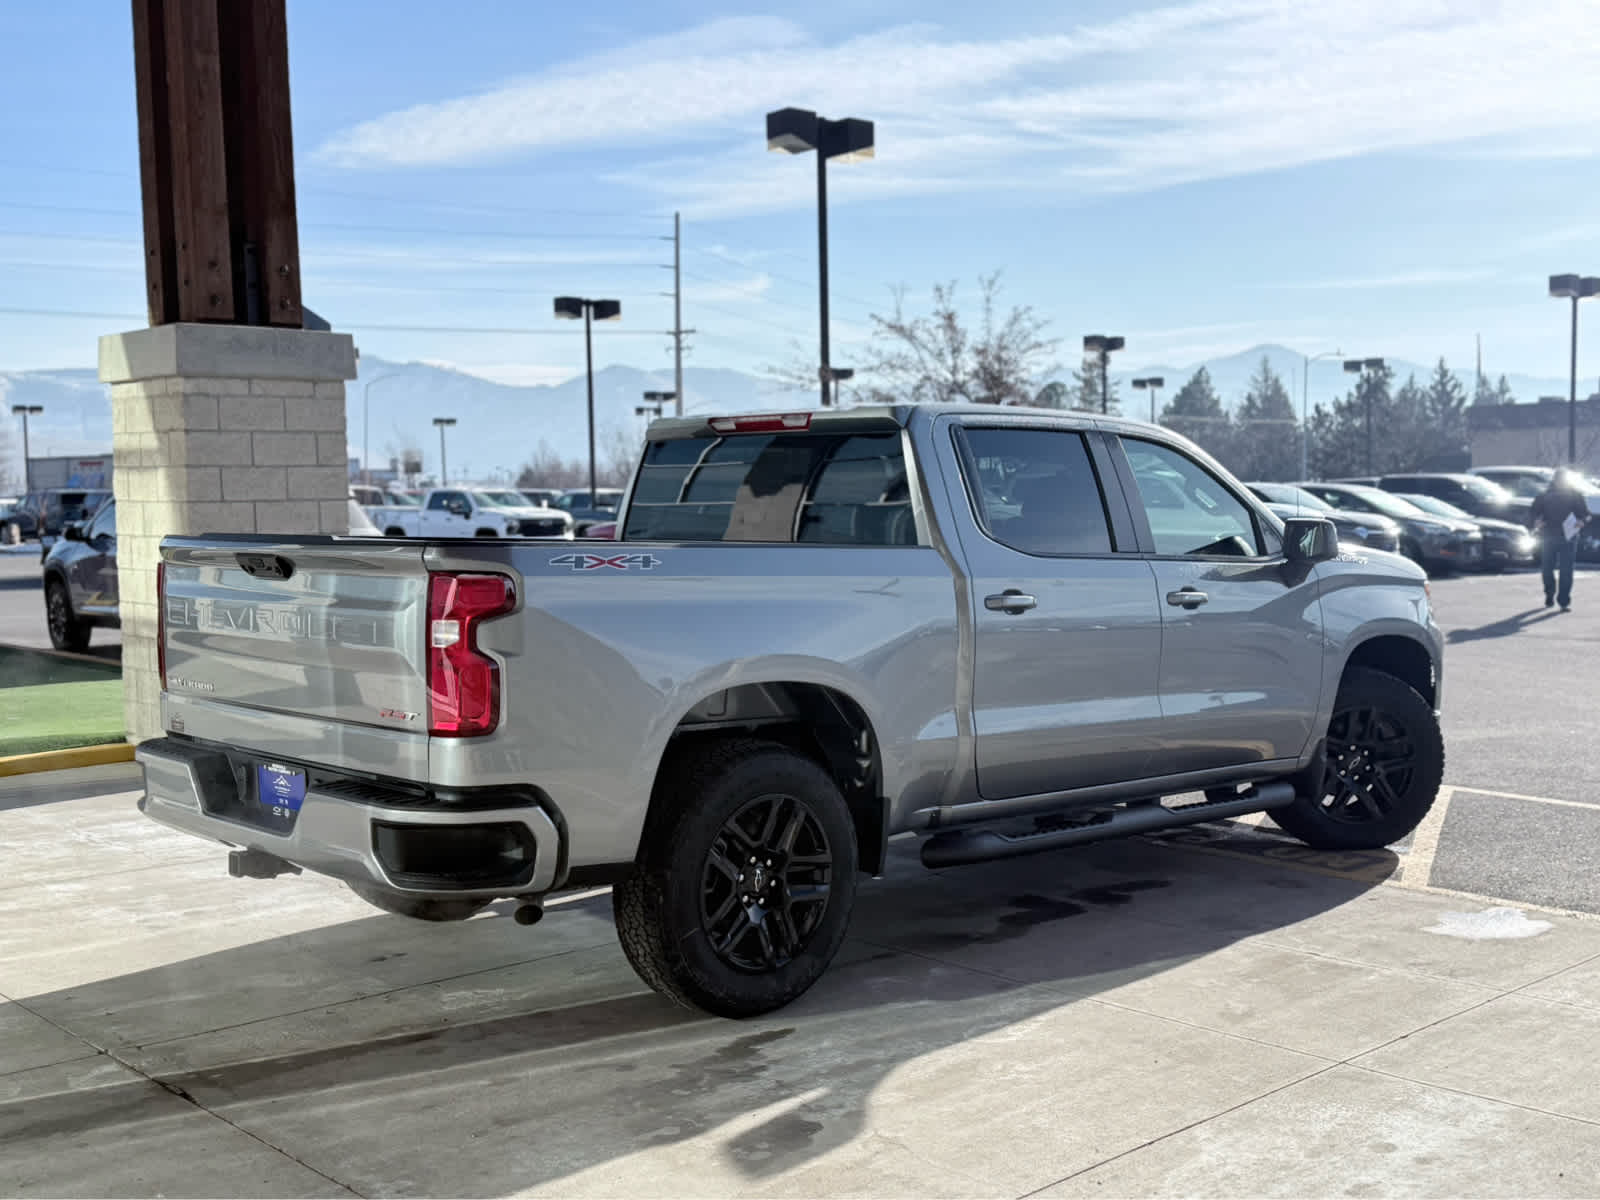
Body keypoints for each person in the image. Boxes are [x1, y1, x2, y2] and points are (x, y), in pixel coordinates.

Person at [1528, 468, 1592, 612]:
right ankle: (1549, 594)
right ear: (1554, 480)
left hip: (1569, 537)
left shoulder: (1575, 495)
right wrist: (1536, 521)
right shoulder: (1544, 495)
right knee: (1547, 569)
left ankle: (1564, 600)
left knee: (1566, 570)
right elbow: (1533, 512)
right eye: (1559, 479)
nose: (1561, 482)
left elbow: (1586, 514)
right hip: (1548, 535)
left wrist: (1582, 521)